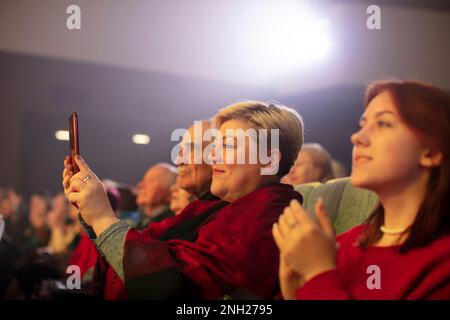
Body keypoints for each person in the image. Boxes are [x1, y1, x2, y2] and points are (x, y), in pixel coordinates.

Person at [62, 101, 304, 299]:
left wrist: (103, 217)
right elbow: (147, 244)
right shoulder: (214, 206)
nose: (212, 156)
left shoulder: (268, 216)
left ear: (269, 159)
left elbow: (177, 286)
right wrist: (92, 212)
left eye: (227, 145)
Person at [273, 80, 450, 300]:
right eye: (362, 125)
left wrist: (319, 274)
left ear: (431, 152)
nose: (357, 137)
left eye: (383, 124)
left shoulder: (442, 262)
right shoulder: (342, 244)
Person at [134, 163, 177, 229]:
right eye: (144, 180)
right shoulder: (144, 218)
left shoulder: (168, 225)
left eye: (151, 181)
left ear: (170, 191)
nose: (141, 185)